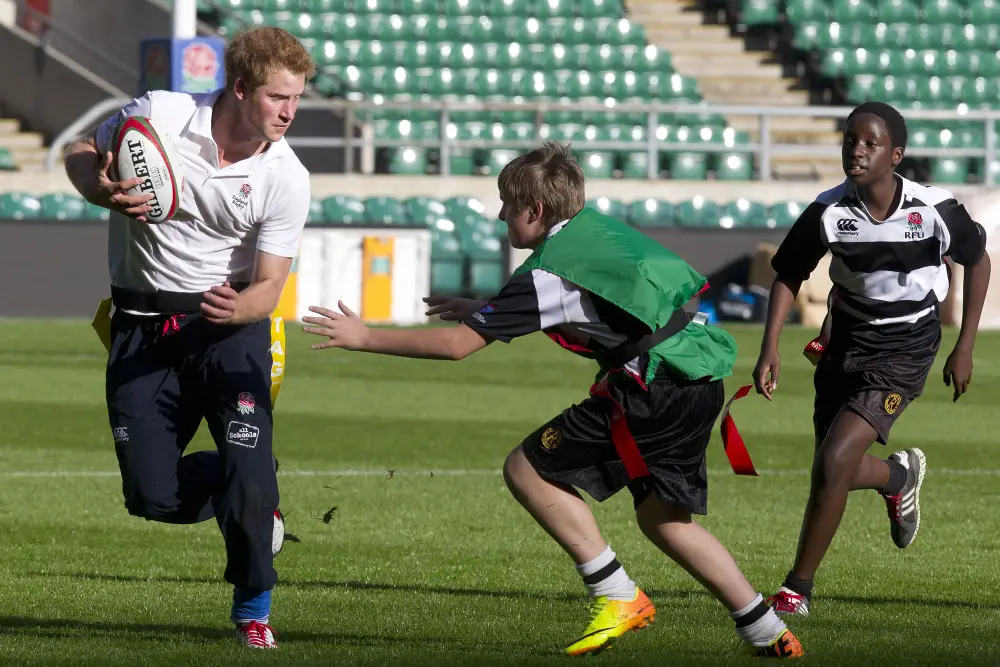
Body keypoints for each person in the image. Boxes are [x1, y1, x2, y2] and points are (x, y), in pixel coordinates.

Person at [301, 142, 805, 659]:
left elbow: (458, 347)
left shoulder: (546, 273)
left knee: (526, 468)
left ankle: (617, 595)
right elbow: (600, 302)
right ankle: (767, 631)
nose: (501, 216)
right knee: (663, 519)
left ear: (534, 211)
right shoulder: (595, 230)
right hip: (697, 379)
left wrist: (366, 338)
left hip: (650, 392)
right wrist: (485, 309)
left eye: (505, 205)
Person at [62, 27, 314, 648]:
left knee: (251, 482)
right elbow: (78, 149)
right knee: (152, 495)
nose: (289, 112)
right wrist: (97, 188)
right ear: (239, 88)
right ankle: (245, 480)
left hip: (231, 330)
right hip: (140, 331)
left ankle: (253, 609)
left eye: (297, 98)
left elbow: (270, 286)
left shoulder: (287, 175)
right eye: (277, 97)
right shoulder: (161, 115)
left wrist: (241, 310)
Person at [753, 101, 991, 617]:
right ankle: (897, 477)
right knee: (829, 466)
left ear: (896, 154)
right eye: (849, 140)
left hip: (906, 346)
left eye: (870, 143)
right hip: (845, 340)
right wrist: (769, 346)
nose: (856, 151)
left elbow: (978, 260)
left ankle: (797, 590)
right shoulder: (829, 210)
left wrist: (964, 345)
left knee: (835, 460)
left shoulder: (933, 209)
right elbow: (788, 274)